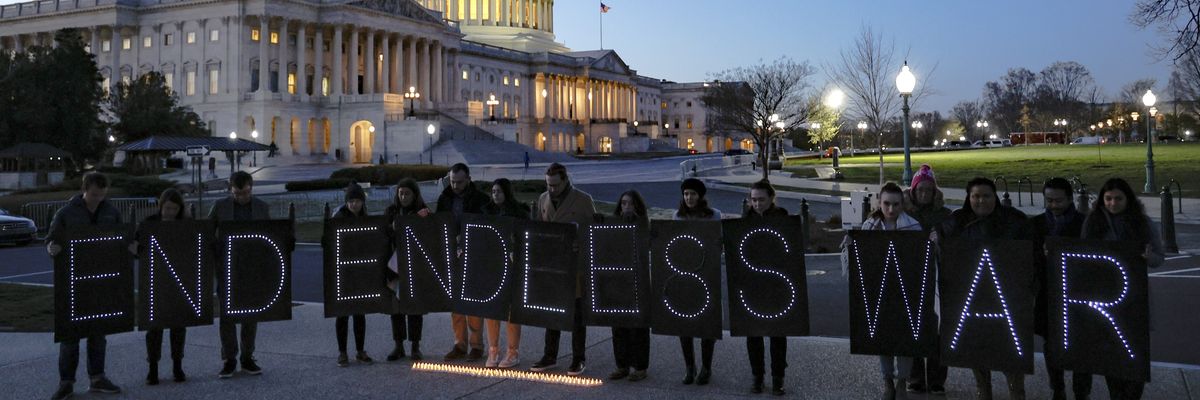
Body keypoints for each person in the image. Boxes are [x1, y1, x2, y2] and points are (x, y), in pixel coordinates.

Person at [939, 177, 1033, 400]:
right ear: (968, 198)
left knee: (1010, 344)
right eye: (975, 196)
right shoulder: (957, 222)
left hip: (1007, 295)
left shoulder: (1014, 221)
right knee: (977, 342)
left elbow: (1030, 255)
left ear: (995, 196)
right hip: (973, 295)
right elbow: (944, 245)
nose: (981, 200)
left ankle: (1016, 389)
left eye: (986, 195)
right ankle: (983, 388)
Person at [1081, 178, 1163, 400]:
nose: (1113, 203)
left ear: (1128, 199)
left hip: (1135, 295)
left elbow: (1159, 258)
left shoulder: (1143, 223)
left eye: (1118, 198)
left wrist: (1149, 257)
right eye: (1108, 199)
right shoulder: (1093, 222)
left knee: (1135, 350)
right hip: (1105, 297)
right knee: (1111, 352)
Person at [46, 172, 124, 400]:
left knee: (98, 333)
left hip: (101, 281)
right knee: (70, 336)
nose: (97, 199)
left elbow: (121, 239)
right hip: (73, 282)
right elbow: (51, 239)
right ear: (84, 189)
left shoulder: (111, 212)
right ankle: (66, 382)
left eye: (101, 195)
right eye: (93, 195)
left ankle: (97, 377)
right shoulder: (66, 213)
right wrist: (51, 247)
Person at [842, 182, 921, 399]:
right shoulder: (870, 226)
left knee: (905, 339)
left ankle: (902, 381)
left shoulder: (913, 227)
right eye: (887, 204)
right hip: (879, 291)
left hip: (905, 290)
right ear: (879, 202)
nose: (891, 209)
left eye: (896, 204)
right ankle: (888, 380)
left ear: (902, 204)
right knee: (883, 337)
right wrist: (851, 245)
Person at [530, 163, 597, 376]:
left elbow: (593, 231)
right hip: (554, 264)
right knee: (552, 313)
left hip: (575, 264)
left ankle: (578, 358)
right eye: (548, 185)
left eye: (555, 185)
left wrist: (580, 243)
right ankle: (550, 355)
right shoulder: (542, 199)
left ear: (565, 180)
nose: (552, 189)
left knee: (577, 315)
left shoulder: (584, 200)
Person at [208, 171, 272, 379]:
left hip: (251, 269)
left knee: (250, 314)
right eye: (237, 194)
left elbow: (270, 235)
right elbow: (208, 232)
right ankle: (229, 358)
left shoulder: (262, 207)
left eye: (245, 193)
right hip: (227, 268)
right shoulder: (220, 206)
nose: (241, 197)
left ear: (251, 188)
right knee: (227, 316)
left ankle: (247, 357)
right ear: (230, 190)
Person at [1031, 178, 1090, 400]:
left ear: (1070, 198)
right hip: (1048, 294)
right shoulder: (1036, 224)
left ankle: (1081, 390)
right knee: (1051, 344)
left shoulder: (1085, 224)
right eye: (1049, 200)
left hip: (1080, 295)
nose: (1054, 205)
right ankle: (1058, 387)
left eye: (1058, 200)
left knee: (1082, 345)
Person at [903, 164, 951, 395]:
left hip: (938, 276)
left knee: (938, 328)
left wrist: (940, 240)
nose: (923, 194)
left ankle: (936, 378)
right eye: (920, 190)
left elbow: (954, 245)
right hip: (911, 276)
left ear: (934, 192)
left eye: (928, 190)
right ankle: (915, 377)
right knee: (913, 327)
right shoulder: (905, 214)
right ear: (913, 190)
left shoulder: (944, 216)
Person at [436, 163, 490, 362]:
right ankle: (460, 344)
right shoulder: (445, 198)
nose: (455, 186)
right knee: (456, 302)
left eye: (459, 182)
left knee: (473, 301)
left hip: (473, 255)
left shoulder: (480, 199)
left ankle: (476, 345)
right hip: (451, 255)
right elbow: (438, 223)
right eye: (452, 182)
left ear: (468, 179)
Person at [139, 189, 192, 385]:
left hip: (178, 282)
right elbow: (139, 248)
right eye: (167, 208)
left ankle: (177, 366)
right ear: (161, 206)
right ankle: (153, 369)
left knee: (178, 326)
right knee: (154, 328)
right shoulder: (149, 223)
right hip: (156, 282)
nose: (170, 212)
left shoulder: (185, 224)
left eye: (174, 209)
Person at [673, 178, 722, 385]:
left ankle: (706, 367)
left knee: (706, 324)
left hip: (706, 274)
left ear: (700, 196)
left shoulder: (714, 216)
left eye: (692, 194)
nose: (689, 198)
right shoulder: (677, 216)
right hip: (684, 275)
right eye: (686, 194)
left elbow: (718, 243)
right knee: (685, 324)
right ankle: (689, 367)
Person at [743, 179, 789, 396]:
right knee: (753, 333)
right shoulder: (745, 220)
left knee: (777, 334)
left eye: (761, 199)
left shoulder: (783, 218)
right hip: (754, 286)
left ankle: (778, 377)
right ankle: (757, 376)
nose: (757, 204)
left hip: (776, 285)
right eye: (753, 200)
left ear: (771, 199)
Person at [481, 178, 531, 368]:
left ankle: (512, 352)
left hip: (512, 266)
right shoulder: (486, 212)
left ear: (507, 192)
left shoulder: (519, 213)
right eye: (493, 191)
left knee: (511, 311)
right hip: (492, 266)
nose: (495, 195)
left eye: (499, 191)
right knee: (491, 309)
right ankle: (492, 350)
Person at [383, 178, 433, 361]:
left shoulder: (423, 212)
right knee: (396, 309)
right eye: (401, 193)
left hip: (415, 267)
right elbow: (382, 234)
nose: (403, 197)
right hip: (394, 267)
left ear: (414, 194)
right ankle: (398, 345)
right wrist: (392, 229)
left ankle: (415, 346)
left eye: (407, 193)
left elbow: (431, 234)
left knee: (414, 308)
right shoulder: (391, 212)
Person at [328, 183, 375, 367]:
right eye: (351, 201)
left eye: (357, 201)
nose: (354, 205)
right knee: (343, 314)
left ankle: (360, 350)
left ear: (363, 202)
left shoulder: (365, 218)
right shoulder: (338, 218)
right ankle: (342, 352)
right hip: (344, 273)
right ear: (346, 202)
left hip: (359, 272)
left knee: (359, 314)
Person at [608, 190, 652, 382]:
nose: (627, 207)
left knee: (638, 327)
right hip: (617, 281)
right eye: (624, 203)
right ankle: (622, 365)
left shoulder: (642, 226)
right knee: (618, 326)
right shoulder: (611, 226)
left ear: (637, 206)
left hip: (637, 281)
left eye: (631, 204)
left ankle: (640, 366)